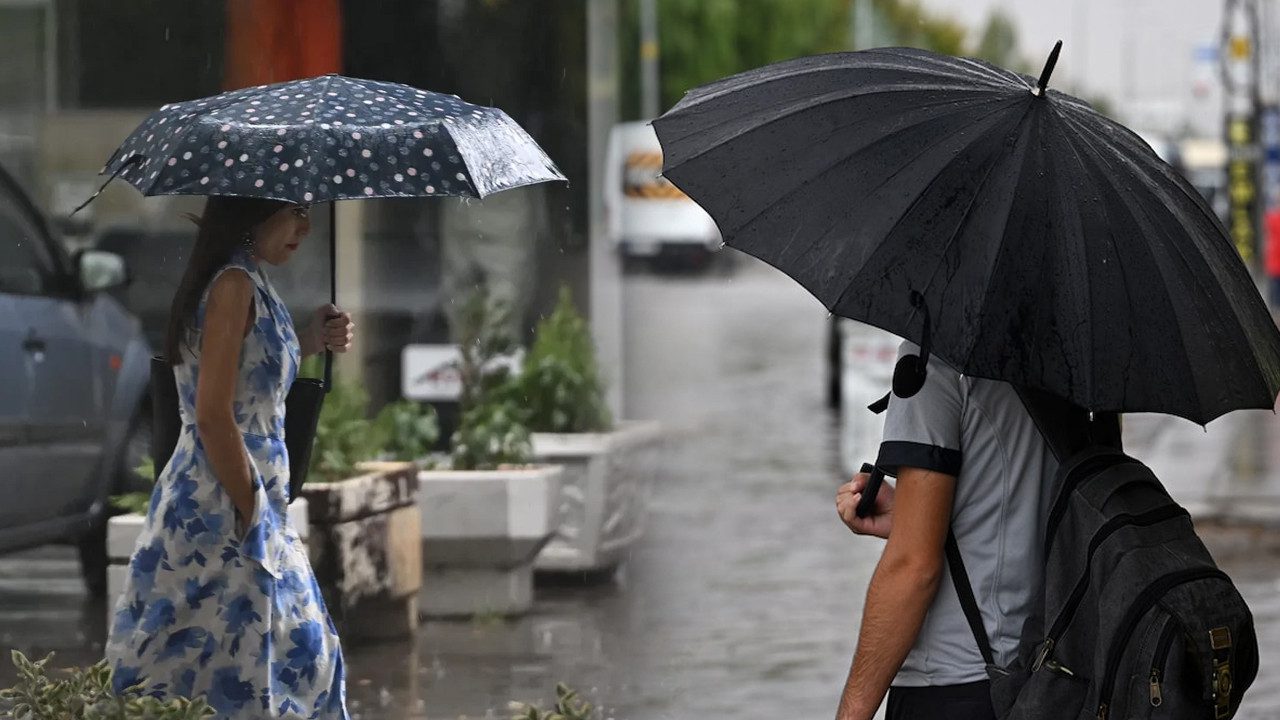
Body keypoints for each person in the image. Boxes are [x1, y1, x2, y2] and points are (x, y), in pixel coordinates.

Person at [104, 197, 355, 719]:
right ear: (252, 211)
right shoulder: (233, 285)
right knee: (268, 664)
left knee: (266, 662)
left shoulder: (250, 280)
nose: (305, 227)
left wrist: (312, 338)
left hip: (245, 502)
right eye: (292, 211)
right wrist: (253, 511)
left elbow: (250, 376)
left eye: (309, 212)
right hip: (221, 504)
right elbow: (214, 412)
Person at [832, 343, 1055, 720]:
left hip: (951, 686)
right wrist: (910, 518)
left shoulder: (932, 360)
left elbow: (913, 568)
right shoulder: (1066, 360)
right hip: (1048, 676)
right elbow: (1022, 507)